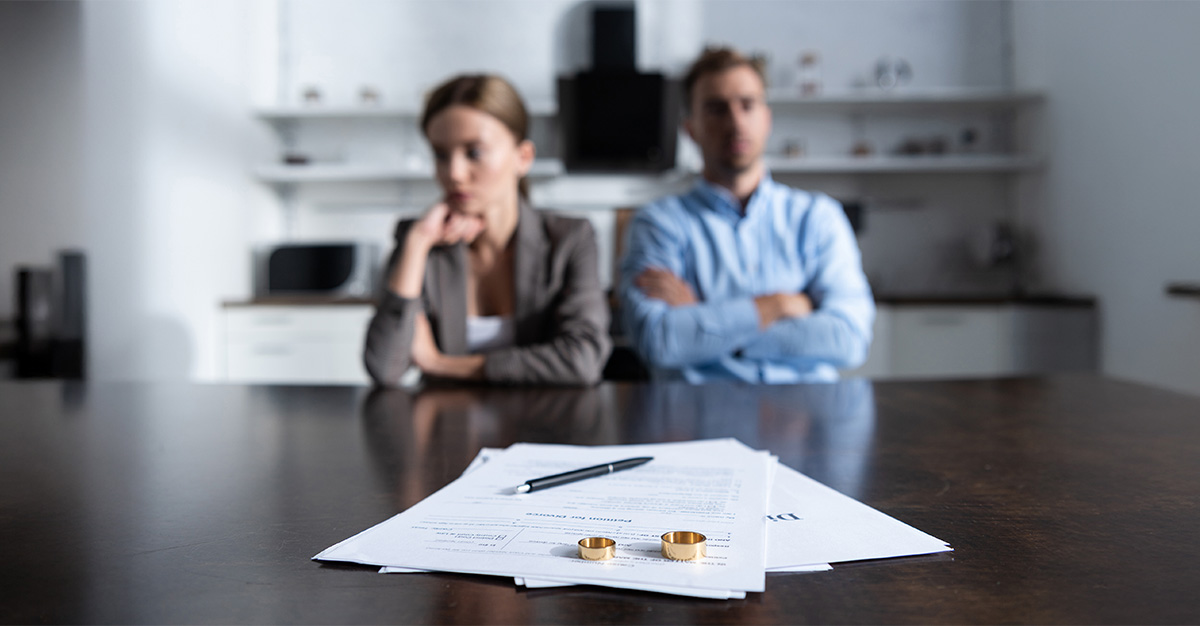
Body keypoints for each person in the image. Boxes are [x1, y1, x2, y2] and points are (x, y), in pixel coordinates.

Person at [618, 47, 874, 383]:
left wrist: (703, 324)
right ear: (690, 129)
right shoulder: (658, 224)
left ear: (767, 118)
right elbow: (660, 340)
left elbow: (849, 339)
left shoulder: (817, 218)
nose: (736, 122)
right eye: (716, 109)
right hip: (698, 419)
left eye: (748, 105)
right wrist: (777, 307)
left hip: (807, 419)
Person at [364, 74, 611, 386]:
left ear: (523, 158)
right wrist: (417, 243)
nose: (454, 173)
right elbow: (384, 367)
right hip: (447, 429)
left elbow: (583, 360)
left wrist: (441, 365)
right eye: (441, 155)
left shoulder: (569, 239)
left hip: (542, 426)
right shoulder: (420, 240)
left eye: (474, 153)